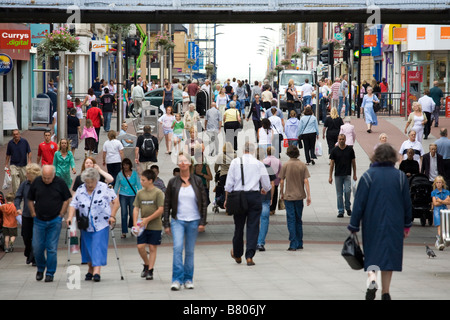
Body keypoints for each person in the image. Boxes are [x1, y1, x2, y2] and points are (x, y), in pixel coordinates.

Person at [348, 143, 412, 300]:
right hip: (394, 224)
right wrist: (406, 225)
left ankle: (372, 279)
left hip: (372, 223)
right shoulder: (400, 177)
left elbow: (359, 203)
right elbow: (407, 203)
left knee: (372, 255)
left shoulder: (368, 176)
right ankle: (386, 292)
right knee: (389, 258)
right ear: (393, 157)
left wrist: (354, 225)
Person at [163, 152, 208, 290]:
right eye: (180, 161)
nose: (182, 163)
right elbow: (167, 203)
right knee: (177, 248)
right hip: (178, 220)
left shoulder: (197, 181)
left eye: (185, 161)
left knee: (189, 251)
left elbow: (204, 202)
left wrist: (202, 222)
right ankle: (176, 279)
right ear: (178, 164)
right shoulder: (173, 182)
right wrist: (166, 223)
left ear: (189, 163)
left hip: (193, 220)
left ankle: (188, 279)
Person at [67, 168, 119, 282]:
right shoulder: (80, 189)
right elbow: (73, 204)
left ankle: (97, 271)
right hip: (85, 224)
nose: (90, 184)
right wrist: (70, 217)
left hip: (102, 223)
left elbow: (116, 201)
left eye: (92, 182)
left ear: (96, 179)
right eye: (87, 182)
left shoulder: (104, 187)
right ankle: (90, 269)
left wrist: (112, 216)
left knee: (97, 246)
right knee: (87, 248)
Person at [225, 142, 271, 266]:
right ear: (253, 151)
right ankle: (249, 256)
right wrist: (264, 190)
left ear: (242, 149)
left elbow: (229, 183)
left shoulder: (235, 162)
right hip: (254, 196)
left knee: (238, 226)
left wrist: (226, 199)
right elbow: (267, 184)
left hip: (239, 196)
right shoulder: (258, 164)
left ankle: (237, 254)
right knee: (253, 226)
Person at [28, 165, 72, 282]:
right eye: (44, 177)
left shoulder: (60, 183)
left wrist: (61, 214)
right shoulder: (37, 182)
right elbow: (30, 199)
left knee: (51, 248)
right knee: (37, 247)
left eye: (48, 178)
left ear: (53, 175)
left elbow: (67, 199)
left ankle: (50, 273)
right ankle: (41, 268)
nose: (46, 180)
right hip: (39, 220)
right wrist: (33, 213)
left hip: (54, 220)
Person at [132, 169, 165, 280]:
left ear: (150, 180)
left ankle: (150, 270)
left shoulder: (158, 193)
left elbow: (161, 209)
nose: (141, 182)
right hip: (142, 225)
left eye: (143, 180)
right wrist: (135, 224)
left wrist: (148, 219)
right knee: (140, 247)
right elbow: (136, 208)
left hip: (155, 225)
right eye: (141, 180)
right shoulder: (140, 193)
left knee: (152, 247)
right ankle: (146, 264)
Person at [279, 145, 311, 250]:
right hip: (299, 195)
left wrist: (281, 193)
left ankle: (293, 243)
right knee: (298, 219)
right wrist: (309, 195)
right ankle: (299, 242)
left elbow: (282, 180)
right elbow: (306, 180)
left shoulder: (286, 165)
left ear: (288, 153)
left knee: (291, 219)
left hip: (289, 196)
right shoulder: (302, 165)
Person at [14, 163, 41, 265]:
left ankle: (34, 258)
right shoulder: (24, 184)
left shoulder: (41, 184)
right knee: (26, 236)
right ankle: (28, 252)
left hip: (38, 216)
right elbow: (18, 197)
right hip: (26, 215)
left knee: (36, 237)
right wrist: (18, 208)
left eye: (28, 173)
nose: (25, 174)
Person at [329, 134, 357, 218]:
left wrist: (354, 174)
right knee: (339, 194)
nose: (341, 141)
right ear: (338, 140)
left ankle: (348, 207)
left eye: (342, 139)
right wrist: (330, 176)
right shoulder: (334, 150)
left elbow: (353, 163)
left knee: (348, 191)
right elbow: (332, 164)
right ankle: (340, 210)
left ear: (345, 140)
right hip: (338, 175)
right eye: (340, 139)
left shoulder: (350, 150)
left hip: (347, 174)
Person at [114, 158, 142, 238]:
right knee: (124, 213)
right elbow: (116, 186)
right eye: (124, 165)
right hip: (123, 195)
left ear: (130, 165)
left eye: (127, 164)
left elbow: (138, 185)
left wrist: (140, 195)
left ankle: (132, 227)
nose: (125, 166)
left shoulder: (135, 174)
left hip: (133, 195)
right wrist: (113, 196)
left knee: (132, 213)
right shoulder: (120, 174)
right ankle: (124, 231)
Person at [256, 149, 276, 252]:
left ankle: (253, 241)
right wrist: (271, 197)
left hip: (253, 197)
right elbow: (272, 184)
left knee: (253, 220)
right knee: (264, 220)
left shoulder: (251, 167)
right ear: (264, 157)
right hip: (265, 197)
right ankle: (260, 242)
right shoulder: (268, 168)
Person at [5, 129, 32, 194]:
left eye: (17, 134)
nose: (16, 135)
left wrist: (29, 161)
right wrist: (6, 164)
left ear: (19, 134)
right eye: (14, 134)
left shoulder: (24, 142)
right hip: (13, 164)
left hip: (23, 165)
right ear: (12, 135)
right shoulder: (10, 143)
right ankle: (16, 195)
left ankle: (23, 193)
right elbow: (8, 154)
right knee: (14, 177)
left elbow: (29, 152)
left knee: (23, 181)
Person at [431, 176, 450, 251]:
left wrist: (440, 201)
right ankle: (440, 241)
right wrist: (443, 201)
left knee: (446, 226)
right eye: (437, 182)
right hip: (437, 211)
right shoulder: (433, 192)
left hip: (445, 210)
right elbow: (435, 203)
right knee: (439, 226)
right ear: (435, 184)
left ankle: (442, 239)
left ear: (442, 183)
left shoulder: (447, 192)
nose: (439, 184)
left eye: (440, 182)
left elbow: (449, 202)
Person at [263, 146, 282, 215]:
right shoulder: (278, 161)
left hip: (267, 181)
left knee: (267, 195)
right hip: (276, 180)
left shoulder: (265, 161)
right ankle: (273, 209)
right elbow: (281, 171)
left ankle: (267, 207)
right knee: (275, 194)